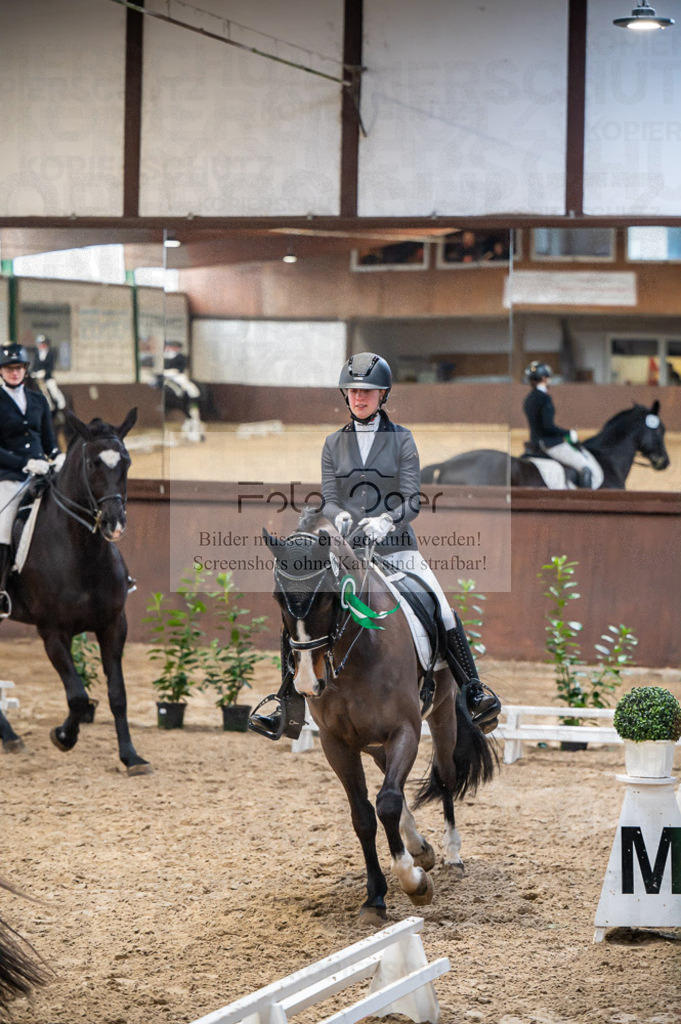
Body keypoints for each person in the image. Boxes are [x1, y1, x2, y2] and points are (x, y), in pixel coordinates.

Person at [251, 351, 500, 740]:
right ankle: (288, 702)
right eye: (352, 391)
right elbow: (330, 498)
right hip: (349, 551)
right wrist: (338, 517)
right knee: (303, 603)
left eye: (367, 391)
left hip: (397, 548)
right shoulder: (334, 443)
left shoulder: (402, 439)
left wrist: (387, 519)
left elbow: (412, 499)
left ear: (383, 394)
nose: (359, 397)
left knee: (441, 607)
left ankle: (473, 691)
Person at [0, 344, 62, 616]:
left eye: (18, 368)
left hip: (42, 474)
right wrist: (23, 463)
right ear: (1, 371)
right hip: (10, 477)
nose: (14, 373)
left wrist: (58, 456)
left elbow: (50, 441)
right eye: (9, 368)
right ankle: (1, 590)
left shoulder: (39, 400)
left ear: (25, 369)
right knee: (4, 526)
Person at [523, 362, 593, 488]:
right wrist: (568, 433)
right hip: (549, 444)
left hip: (534, 443)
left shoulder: (528, 399)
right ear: (544, 378)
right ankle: (585, 498)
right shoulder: (545, 398)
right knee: (585, 467)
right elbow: (548, 427)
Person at [162, 341, 204, 442]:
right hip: (166, 375)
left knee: (186, 384)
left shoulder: (180, 357)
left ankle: (191, 396)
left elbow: (180, 368)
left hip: (177, 375)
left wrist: (172, 371)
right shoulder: (165, 357)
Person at [30, 335, 67, 412]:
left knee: (53, 389)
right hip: (38, 379)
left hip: (47, 377)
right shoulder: (37, 354)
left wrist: (45, 373)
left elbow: (51, 367)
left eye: (44, 343)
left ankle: (60, 403)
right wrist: (33, 373)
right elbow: (34, 366)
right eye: (40, 343)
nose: (42, 345)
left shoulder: (51, 354)